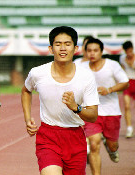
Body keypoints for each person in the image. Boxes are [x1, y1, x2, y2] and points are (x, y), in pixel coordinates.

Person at [21, 26, 99, 175]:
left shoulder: (86, 77)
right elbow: (26, 90)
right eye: (58, 44)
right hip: (48, 136)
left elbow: (93, 115)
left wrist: (76, 107)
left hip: (75, 137)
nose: (62, 48)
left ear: (75, 48)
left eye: (67, 44)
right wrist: (27, 118)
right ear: (51, 49)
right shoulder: (38, 73)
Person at [83, 38, 129, 175]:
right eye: (89, 50)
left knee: (112, 145)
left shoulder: (112, 65)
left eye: (95, 50)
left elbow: (125, 83)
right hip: (92, 112)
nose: (92, 54)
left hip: (111, 112)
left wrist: (109, 90)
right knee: (93, 143)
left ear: (101, 51)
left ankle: (112, 150)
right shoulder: (81, 67)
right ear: (86, 52)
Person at [119, 41, 135, 138]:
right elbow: (123, 70)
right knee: (126, 106)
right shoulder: (122, 58)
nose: (128, 53)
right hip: (128, 83)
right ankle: (129, 128)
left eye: (130, 50)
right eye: (126, 51)